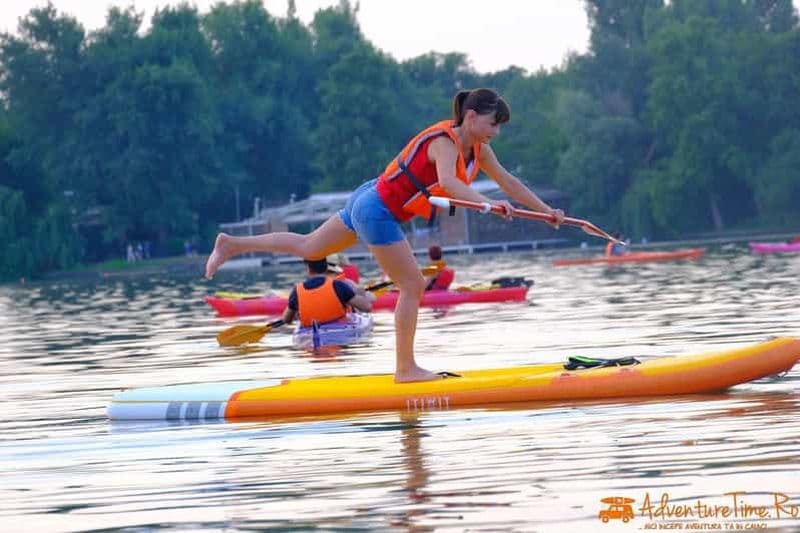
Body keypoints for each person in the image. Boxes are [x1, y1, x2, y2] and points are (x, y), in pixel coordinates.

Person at [206, 88, 565, 382]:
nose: (495, 132)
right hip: (377, 209)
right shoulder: (444, 142)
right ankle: (405, 369)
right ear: (471, 117)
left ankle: (232, 244)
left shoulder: (480, 150)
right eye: (492, 124)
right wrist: (488, 204)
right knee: (412, 286)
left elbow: (509, 182)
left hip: (370, 196)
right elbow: (449, 182)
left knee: (308, 245)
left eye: (499, 127)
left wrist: (546, 212)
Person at [282, 258, 374, 328]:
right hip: (338, 331)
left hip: (311, 334)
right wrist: (361, 295)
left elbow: (286, 320)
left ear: (308, 269)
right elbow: (366, 307)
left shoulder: (297, 291)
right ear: (326, 268)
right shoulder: (338, 286)